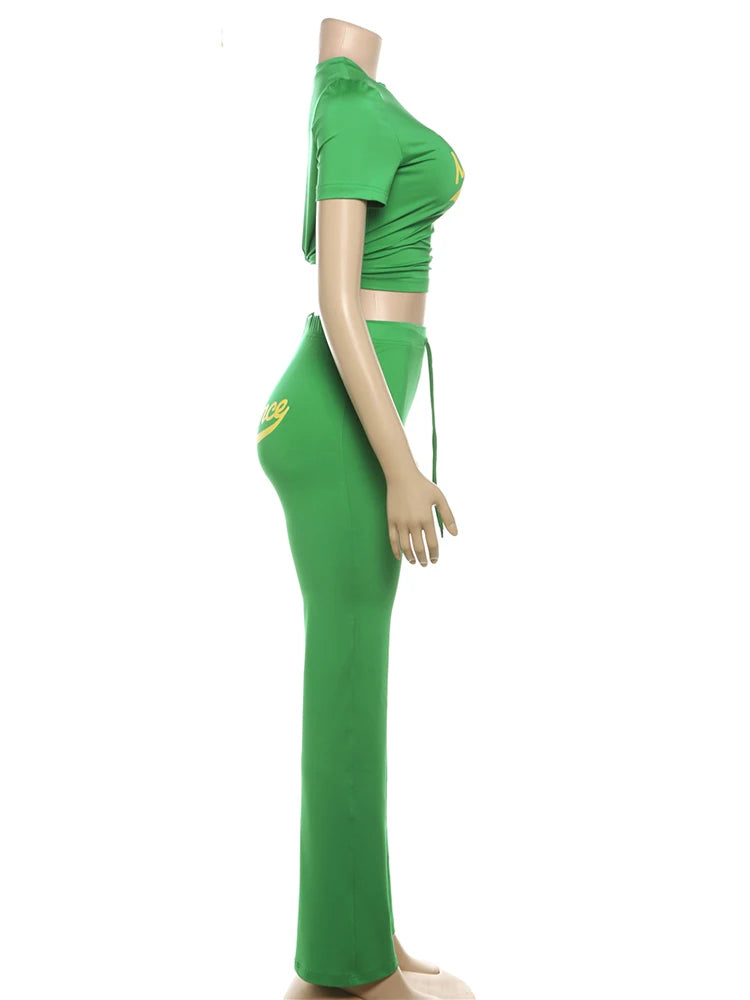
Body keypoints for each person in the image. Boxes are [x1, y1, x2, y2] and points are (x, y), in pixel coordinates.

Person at [256, 17, 472, 1000]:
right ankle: (349, 969)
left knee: (353, 685)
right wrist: (400, 468)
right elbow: (340, 301)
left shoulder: (352, 94)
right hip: (345, 420)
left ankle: (356, 929)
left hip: (355, 408)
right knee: (348, 685)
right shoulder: (347, 103)